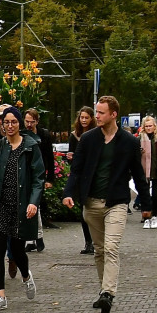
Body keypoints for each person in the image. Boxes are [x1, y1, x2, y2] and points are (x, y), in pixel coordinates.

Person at [62, 95, 149, 313]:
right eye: (96, 112)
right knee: (99, 250)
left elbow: (138, 175)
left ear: (113, 114)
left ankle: (108, 293)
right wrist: (68, 192)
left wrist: (147, 204)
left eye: (101, 113)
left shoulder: (129, 142)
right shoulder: (88, 139)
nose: (96, 116)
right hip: (91, 202)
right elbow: (77, 169)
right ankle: (104, 291)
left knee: (111, 247)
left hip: (116, 202)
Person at [0, 106, 45, 312]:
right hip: (0, 206)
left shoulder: (30, 146)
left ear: (19, 124)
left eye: (13, 122)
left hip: (20, 207)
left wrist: (33, 202)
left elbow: (38, 178)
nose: (9, 126)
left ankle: (26, 276)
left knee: (18, 251)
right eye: (6, 122)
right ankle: (0, 295)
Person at [24, 108, 57, 242]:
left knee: (35, 203)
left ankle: (36, 236)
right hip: (26, 173)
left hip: (39, 173)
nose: (29, 125)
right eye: (26, 121)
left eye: (32, 122)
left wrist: (50, 178)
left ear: (37, 121)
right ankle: (36, 236)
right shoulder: (22, 134)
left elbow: (49, 157)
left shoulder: (44, 135)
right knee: (31, 205)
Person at [67, 106, 96, 254]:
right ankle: (88, 242)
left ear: (92, 119)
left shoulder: (96, 134)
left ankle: (97, 239)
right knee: (83, 210)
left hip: (93, 176)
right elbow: (72, 156)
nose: (84, 120)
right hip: (80, 177)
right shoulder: (74, 135)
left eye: (86, 118)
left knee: (95, 209)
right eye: (81, 118)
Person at [136, 116, 157, 229]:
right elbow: (134, 153)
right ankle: (146, 217)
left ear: (154, 126)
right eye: (147, 126)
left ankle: (154, 216)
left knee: (154, 195)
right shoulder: (139, 138)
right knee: (145, 195)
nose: (149, 128)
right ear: (143, 127)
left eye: (151, 126)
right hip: (143, 171)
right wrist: (139, 152)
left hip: (156, 170)